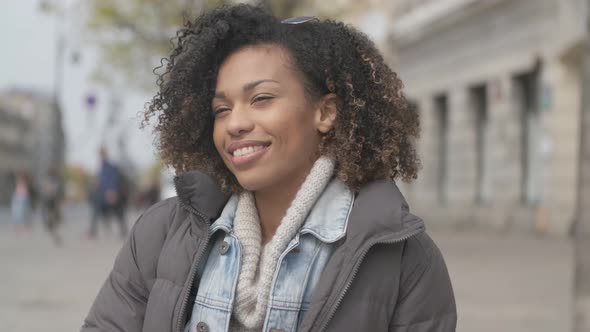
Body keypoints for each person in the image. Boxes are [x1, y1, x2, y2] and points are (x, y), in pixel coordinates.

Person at [82, 4, 456, 332]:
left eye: (260, 99)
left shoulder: (405, 257)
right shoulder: (161, 233)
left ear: (325, 112)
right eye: (221, 109)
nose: (234, 124)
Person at [87, 148, 128, 239]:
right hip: (101, 193)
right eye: (100, 154)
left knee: (118, 212)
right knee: (96, 211)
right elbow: (100, 180)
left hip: (109, 193)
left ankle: (123, 230)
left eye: (102, 154)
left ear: (105, 154)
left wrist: (112, 191)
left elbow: (113, 179)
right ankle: (92, 232)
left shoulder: (110, 166)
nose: (101, 156)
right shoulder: (101, 166)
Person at [40, 166, 64, 245]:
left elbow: (58, 189)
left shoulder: (56, 180)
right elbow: (44, 188)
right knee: (48, 214)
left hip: (52, 200)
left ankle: (51, 225)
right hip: (48, 200)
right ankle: (50, 224)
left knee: (52, 215)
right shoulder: (47, 179)